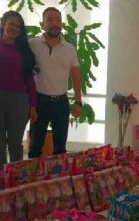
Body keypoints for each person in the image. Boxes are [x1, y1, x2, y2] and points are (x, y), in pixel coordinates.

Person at [0, 11, 37, 171]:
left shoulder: (24, 50)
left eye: (18, 26)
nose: (14, 28)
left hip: (19, 101)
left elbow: (29, 79)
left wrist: (33, 105)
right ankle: (0, 178)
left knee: (15, 144)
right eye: (11, 24)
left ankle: (16, 179)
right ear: (3, 24)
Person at [28, 7, 82, 157]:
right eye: (50, 20)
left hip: (61, 103)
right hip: (39, 102)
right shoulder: (32, 44)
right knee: (35, 147)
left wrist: (78, 102)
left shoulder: (70, 49)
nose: (54, 23)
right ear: (42, 24)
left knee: (60, 149)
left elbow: (76, 76)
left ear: (62, 24)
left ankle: (58, 180)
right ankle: (33, 179)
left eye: (58, 20)